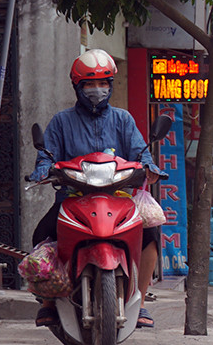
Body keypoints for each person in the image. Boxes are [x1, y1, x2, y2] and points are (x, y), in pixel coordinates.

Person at [30, 49, 164, 328]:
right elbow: (47, 155)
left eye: (103, 83)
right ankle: (48, 301)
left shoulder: (123, 120)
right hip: (73, 198)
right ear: (77, 86)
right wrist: (43, 168)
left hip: (117, 199)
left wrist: (150, 168)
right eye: (89, 84)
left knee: (150, 234)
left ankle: (138, 298)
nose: (97, 90)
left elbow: (141, 153)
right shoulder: (61, 122)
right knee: (42, 235)